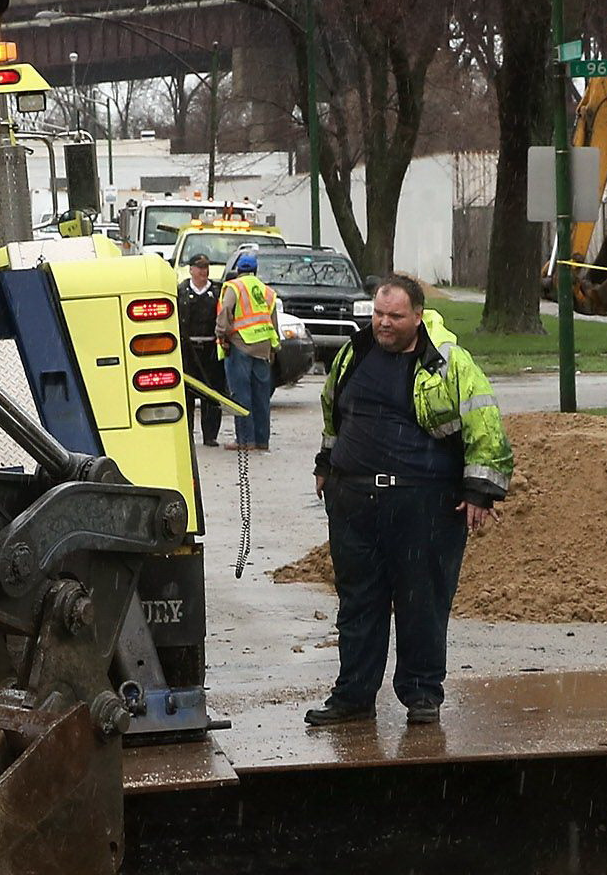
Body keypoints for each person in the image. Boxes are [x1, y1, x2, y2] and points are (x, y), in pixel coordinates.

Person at [304, 274, 513, 727]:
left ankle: (421, 695)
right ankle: (353, 697)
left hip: (424, 506)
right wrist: (326, 465)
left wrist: (479, 491)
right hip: (354, 503)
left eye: (394, 316)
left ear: (417, 316)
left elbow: (485, 424)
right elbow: (333, 410)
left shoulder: (448, 363)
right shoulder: (354, 353)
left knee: (422, 604)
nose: (383, 323)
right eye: (378, 313)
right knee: (358, 604)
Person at [220, 247, 281, 451]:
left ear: (238, 270)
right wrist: (273, 347)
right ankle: (262, 440)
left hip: (240, 345)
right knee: (261, 396)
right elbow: (273, 320)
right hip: (263, 348)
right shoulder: (267, 291)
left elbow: (226, 311)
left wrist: (223, 334)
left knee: (241, 395)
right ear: (255, 271)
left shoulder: (234, 287)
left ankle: (245, 441)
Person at [179, 251, 228, 447]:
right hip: (188, 349)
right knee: (187, 393)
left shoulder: (217, 292)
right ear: (191, 270)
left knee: (212, 391)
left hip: (210, 348)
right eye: (199, 268)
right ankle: (187, 434)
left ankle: (210, 435)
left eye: (206, 267)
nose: (203, 271)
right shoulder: (180, 291)